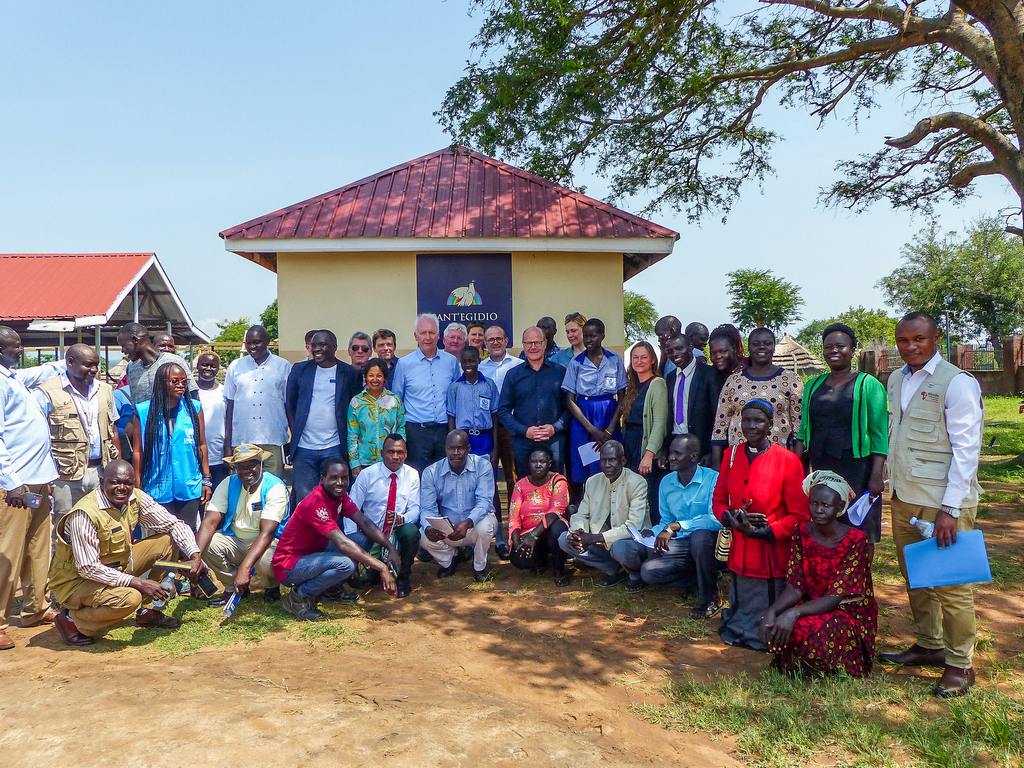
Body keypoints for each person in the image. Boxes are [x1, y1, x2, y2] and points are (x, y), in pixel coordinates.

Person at [878, 312, 983, 698]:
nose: (910, 347)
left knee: (951, 585)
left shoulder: (957, 383)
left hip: (941, 504)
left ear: (935, 338)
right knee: (917, 577)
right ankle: (929, 644)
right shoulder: (895, 379)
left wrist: (950, 509)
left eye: (918, 339)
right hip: (904, 497)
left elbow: (966, 450)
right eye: (903, 341)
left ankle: (960, 664)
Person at [47, 460, 207, 646]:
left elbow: (174, 524)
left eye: (128, 483)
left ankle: (150, 611)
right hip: (75, 581)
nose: (122, 488)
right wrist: (140, 583)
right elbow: (88, 568)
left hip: (116, 565)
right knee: (130, 598)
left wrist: (195, 556)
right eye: (115, 482)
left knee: (167, 541)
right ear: (101, 482)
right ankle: (72, 621)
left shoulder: (135, 499)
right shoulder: (85, 514)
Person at [713, 400, 809, 651]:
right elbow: (719, 501)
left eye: (758, 421)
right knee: (742, 601)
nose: (751, 426)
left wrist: (765, 531)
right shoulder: (730, 456)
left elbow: (800, 514)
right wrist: (729, 517)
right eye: (746, 420)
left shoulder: (787, 461)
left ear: (770, 424)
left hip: (771, 554)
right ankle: (740, 628)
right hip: (740, 552)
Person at [760, 470, 877, 676]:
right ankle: (800, 663)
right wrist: (773, 611)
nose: (818, 510)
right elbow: (795, 587)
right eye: (814, 503)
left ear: (840, 507)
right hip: (811, 604)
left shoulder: (855, 541)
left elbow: (836, 597)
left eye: (826, 505)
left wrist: (794, 612)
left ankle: (818, 664)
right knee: (775, 621)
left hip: (844, 611)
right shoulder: (801, 532)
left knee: (797, 626)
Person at [0, 327, 65, 649]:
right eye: (15, 348)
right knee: (8, 553)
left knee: (38, 546)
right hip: (16, 486)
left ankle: (36, 607)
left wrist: (66, 360)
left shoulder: (12, 377)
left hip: (39, 481)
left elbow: (39, 370)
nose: (21, 351)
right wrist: (11, 483)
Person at [794, 323, 888, 542]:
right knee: (824, 520)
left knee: (859, 525)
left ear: (853, 349)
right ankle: (829, 572)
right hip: (821, 464)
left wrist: (876, 475)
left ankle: (858, 572)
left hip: (857, 467)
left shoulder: (868, 384)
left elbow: (879, 434)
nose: (833, 351)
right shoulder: (812, 385)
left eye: (840, 346)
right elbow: (803, 429)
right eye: (828, 347)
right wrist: (796, 466)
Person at [611, 435, 723, 615]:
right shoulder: (666, 482)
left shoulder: (713, 479)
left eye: (677, 453)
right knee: (647, 570)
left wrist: (677, 526)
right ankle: (694, 580)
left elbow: (716, 519)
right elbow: (666, 520)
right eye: (671, 452)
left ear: (693, 457)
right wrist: (652, 532)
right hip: (678, 545)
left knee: (699, 538)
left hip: (706, 544)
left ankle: (710, 598)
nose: (671, 457)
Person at [273, 460, 396, 621]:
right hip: (289, 565)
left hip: (315, 553)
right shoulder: (315, 503)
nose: (340, 483)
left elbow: (364, 522)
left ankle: (330, 590)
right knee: (345, 564)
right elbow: (342, 543)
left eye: (344, 478)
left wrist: (390, 547)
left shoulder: (340, 496)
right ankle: (298, 598)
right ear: (322, 479)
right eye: (334, 478)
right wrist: (382, 567)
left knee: (362, 538)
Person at [35, 344, 119, 544]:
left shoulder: (105, 390)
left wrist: (117, 467)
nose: (94, 370)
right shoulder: (47, 393)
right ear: (70, 362)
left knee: (101, 526)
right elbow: (38, 437)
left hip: (100, 470)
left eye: (96, 365)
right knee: (65, 530)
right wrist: (45, 478)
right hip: (65, 475)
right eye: (88, 365)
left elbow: (113, 429)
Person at [195, 445, 290, 605]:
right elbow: (210, 521)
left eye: (252, 464)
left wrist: (244, 568)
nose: (247, 470)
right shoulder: (228, 483)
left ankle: (271, 586)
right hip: (236, 540)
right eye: (241, 466)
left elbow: (267, 533)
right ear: (234, 468)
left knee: (267, 561)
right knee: (207, 545)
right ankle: (234, 588)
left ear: (261, 464)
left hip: (267, 542)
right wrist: (195, 557)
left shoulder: (275, 487)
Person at [558, 440, 649, 587]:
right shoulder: (592, 481)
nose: (607, 465)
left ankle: (635, 574)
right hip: (600, 542)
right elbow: (581, 515)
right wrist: (577, 532)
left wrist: (594, 538)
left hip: (631, 543)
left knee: (620, 548)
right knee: (564, 539)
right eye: (603, 460)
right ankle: (613, 569)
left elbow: (633, 526)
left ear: (623, 460)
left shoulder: (637, 482)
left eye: (612, 460)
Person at [132, 363, 211, 530]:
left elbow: (201, 444)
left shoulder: (194, 408)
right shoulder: (143, 410)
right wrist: (138, 487)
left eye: (184, 381)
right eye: (175, 381)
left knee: (187, 534)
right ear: (162, 382)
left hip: (188, 485)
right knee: (161, 539)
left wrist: (206, 479)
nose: (181, 385)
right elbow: (138, 451)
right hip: (157, 487)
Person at [285, 330, 362, 503]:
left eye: (322, 345)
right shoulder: (299, 370)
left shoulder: (350, 373)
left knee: (334, 497)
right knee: (305, 500)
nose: (316, 349)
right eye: (314, 345)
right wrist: (296, 431)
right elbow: (290, 405)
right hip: (304, 449)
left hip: (335, 447)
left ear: (334, 347)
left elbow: (354, 410)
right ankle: (306, 531)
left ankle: (333, 530)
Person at [710, 328, 803, 470]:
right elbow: (720, 426)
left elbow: (799, 426)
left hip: (778, 461)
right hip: (739, 461)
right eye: (756, 344)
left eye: (767, 343)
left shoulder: (790, 379)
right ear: (749, 348)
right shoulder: (734, 380)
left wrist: (795, 463)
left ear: (774, 347)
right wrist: (717, 465)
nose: (761, 347)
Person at [347, 435, 422, 598]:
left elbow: (415, 509)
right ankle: (378, 571)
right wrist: (354, 544)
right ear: (382, 453)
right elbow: (350, 509)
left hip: (397, 532)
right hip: (371, 535)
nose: (395, 457)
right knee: (358, 581)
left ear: (406, 454)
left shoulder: (412, 475)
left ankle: (403, 578)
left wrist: (402, 519)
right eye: (391, 452)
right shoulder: (367, 475)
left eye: (400, 452)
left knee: (411, 532)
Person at [420, 430, 498, 582]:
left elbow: (484, 502)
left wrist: (468, 522)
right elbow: (427, 509)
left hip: (474, 525)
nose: (456, 453)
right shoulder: (431, 472)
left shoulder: (483, 466)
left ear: (468, 448)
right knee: (423, 537)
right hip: (448, 530)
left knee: (486, 526)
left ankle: (479, 566)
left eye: (460, 448)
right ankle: (450, 559)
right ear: (446, 449)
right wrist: (429, 528)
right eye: (452, 448)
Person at [562, 318, 627, 491]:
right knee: (587, 467)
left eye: (593, 336)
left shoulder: (615, 360)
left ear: (602, 336)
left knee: (610, 463)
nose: (589, 340)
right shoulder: (576, 363)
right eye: (586, 336)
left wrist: (609, 430)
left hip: (609, 416)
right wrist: (592, 430)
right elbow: (569, 400)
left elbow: (622, 397)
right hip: (584, 420)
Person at [497, 326, 570, 478]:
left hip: (553, 440)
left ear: (545, 343)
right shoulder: (513, 375)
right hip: (523, 441)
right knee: (524, 486)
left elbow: (569, 408)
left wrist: (555, 428)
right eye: (529, 343)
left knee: (555, 485)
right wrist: (525, 431)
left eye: (537, 342)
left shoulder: (561, 372)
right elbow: (503, 411)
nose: (533, 347)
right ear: (523, 345)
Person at [391, 314, 460, 471]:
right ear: (416, 336)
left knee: (445, 478)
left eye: (431, 332)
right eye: (423, 333)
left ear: (438, 335)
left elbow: (456, 396)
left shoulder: (451, 362)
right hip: (416, 433)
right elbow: (397, 401)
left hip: (444, 431)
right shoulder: (404, 364)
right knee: (419, 478)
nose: (428, 337)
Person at [223, 325, 291, 478]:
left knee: (273, 487)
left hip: (272, 440)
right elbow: (230, 407)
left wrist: (291, 441)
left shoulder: (283, 366)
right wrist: (227, 446)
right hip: (243, 441)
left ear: (267, 341)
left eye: (257, 342)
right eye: (249, 343)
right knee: (244, 488)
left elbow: (288, 405)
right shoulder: (235, 366)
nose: (252, 347)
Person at [480, 324, 525, 533]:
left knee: (513, 479)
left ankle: (515, 528)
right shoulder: (479, 369)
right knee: (488, 481)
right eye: (491, 340)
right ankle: (497, 531)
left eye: (499, 338)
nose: (495, 342)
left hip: (512, 428)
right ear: (485, 344)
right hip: (488, 428)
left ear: (506, 341)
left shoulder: (519, 365)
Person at [507, 446, 571, 586]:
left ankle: (559, 570)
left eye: (542, 461)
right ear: (528, 464)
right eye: (534, 461)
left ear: (549, 463)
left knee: (557, 529)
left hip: (550, 530)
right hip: (529, 532)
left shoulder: (558, 481)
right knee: (519, 559)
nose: (538, 465)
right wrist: (516, 540)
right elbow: (514, 516)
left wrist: (533, 536)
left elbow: (556, 511)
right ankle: (540, 559)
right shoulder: (520, 485)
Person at [619, 341, 668, 519]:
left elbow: (659, 424)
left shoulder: (657, 385)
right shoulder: (633, 385)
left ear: (653, 361)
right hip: (630, 444)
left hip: (645, 446)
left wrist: (649, 455)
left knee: (647, 494)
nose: (639, 361)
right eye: (635, 358)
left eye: (644, 357)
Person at [665, 334, 719, 464]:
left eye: (679, 348)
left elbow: (717, 415)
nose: (675, 354)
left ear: (690, 347)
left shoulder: (709, 374)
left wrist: (712, 451)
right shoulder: (671, 377)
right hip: (675, 442)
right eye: (670, 351)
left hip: (701, 446)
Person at [347, 358, 406, 476]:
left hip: (390, 462)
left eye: (379, 375)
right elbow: (352, 435)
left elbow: (401, 430)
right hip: (364, 463)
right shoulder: (356, 402)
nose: (375, 380)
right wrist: (354, 463)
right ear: (365, 377)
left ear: (384, 377)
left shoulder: (395, 401)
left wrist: (399, 455)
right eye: (371, 375)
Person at [117, 323, 198, 407]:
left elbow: (193, 396)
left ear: (135, 340)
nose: (122, 351)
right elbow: (135, 407)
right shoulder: (132, 369)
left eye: (123, 345)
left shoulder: (174, 361)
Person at [195, 352, 230, 489]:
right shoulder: (189, 392)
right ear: (197, 366)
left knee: (219, 498)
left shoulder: (224, 392)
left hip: (218, 455)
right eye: (204, 365)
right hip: (195, 456)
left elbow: (229, 421)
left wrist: (228, 449)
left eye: (213, 366)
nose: (208, 368)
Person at [707, 324, 746, 401]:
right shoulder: (711, 374)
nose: (718, 356)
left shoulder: (750, 366)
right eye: (713, 353)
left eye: (723, 351)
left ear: (734, 349)